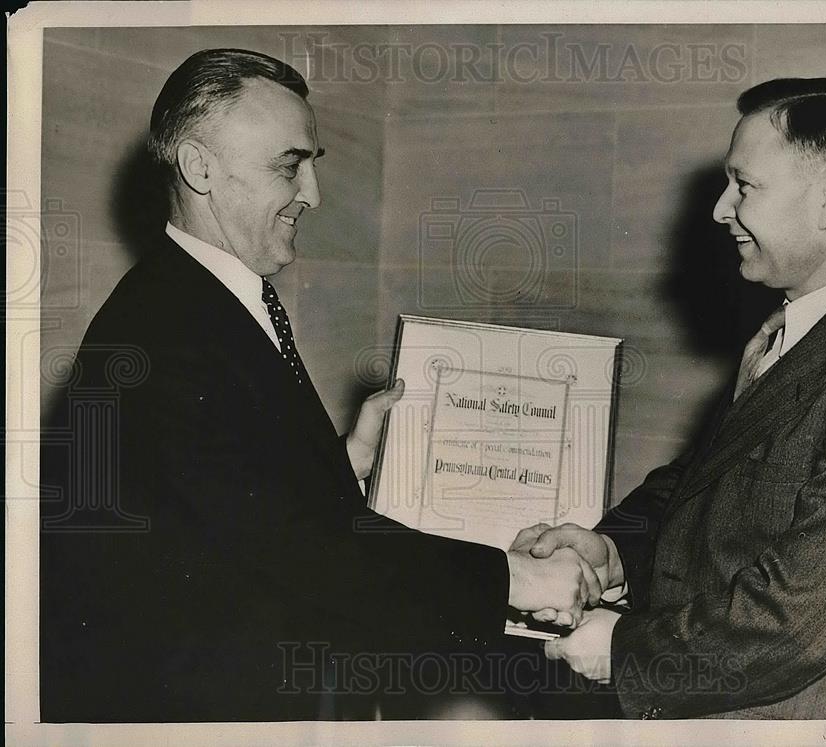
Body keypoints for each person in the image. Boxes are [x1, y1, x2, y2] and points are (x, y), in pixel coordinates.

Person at [39, 48, 598, 722]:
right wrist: (517, 577)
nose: (313, 195)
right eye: (290, 165)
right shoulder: (166, 331)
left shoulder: (204, 301)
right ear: (200, 166)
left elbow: (233, 500)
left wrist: (343, 463)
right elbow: (299, 554)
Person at [525, 77, 826, 719]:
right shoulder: (796, 330)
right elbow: (705, 484)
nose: (719, 209)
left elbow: (797, 624)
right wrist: (613, 550)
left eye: (745, 185)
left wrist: (624, 649)